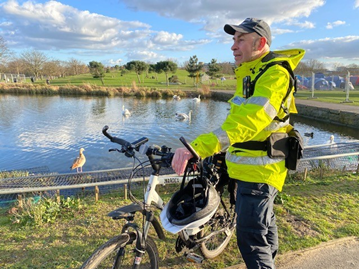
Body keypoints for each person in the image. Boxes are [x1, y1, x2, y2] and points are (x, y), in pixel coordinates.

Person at [171, 18, 305, 269]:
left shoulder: (274, 74)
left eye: (241, 39)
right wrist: (220, 152)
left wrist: (198, 148)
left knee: (252, 241)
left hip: (260, 172)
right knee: (265, 226)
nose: (233, 45)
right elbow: (236, 124)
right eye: (233, 39)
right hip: (246, 167)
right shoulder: (251, 72)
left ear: (261, 42)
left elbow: (248, 121)